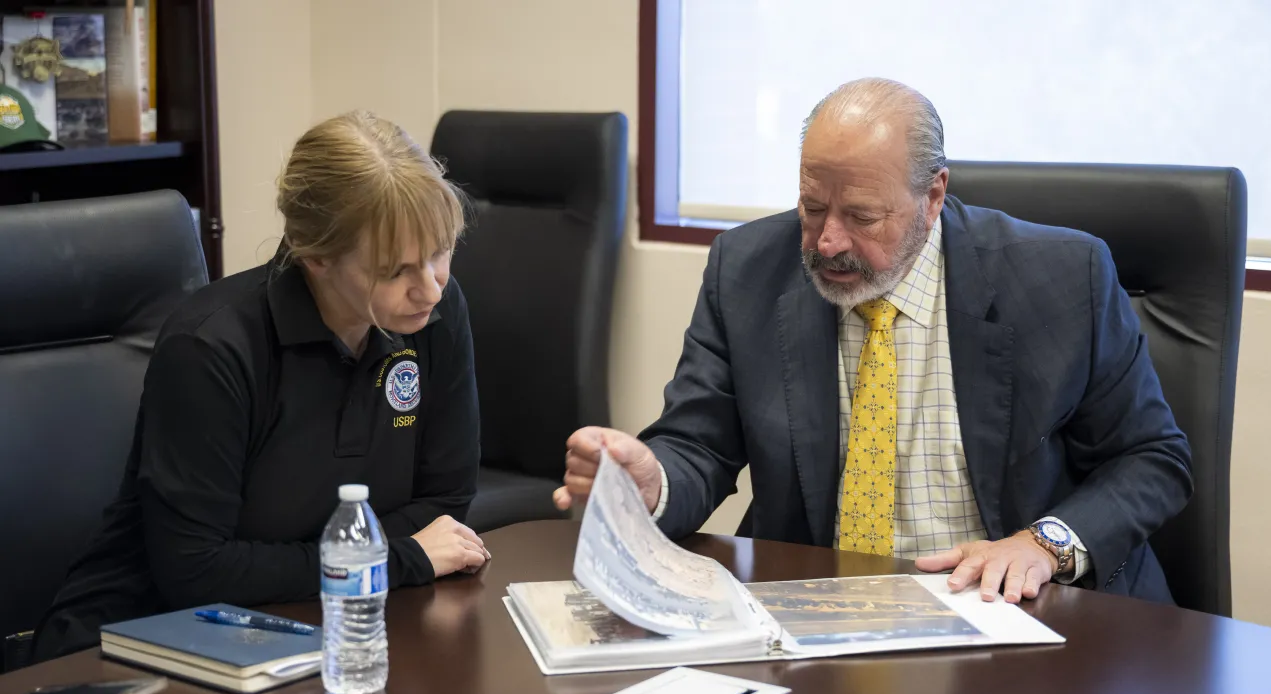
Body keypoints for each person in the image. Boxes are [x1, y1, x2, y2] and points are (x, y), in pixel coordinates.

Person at [555, 78, 1191, 605]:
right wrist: (652, 482)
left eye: (860, 216)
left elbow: (1151, 460)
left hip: (1017, 610)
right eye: (811, 207)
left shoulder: (1060, 277)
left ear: (933, 195)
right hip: (819, 615)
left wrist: (1043, 545)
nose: (827, 241)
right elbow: (699, 444)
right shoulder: (746, 268)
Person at [32, 111, 489, 661]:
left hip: (311, 624)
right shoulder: (212, 347)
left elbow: (445, 502)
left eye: (440, 252)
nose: (431, 289)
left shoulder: (433, 312)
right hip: (141, 647)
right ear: (314, 255)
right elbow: (198, 572)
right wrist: (401, 557)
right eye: (395, 271)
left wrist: (287, 564)